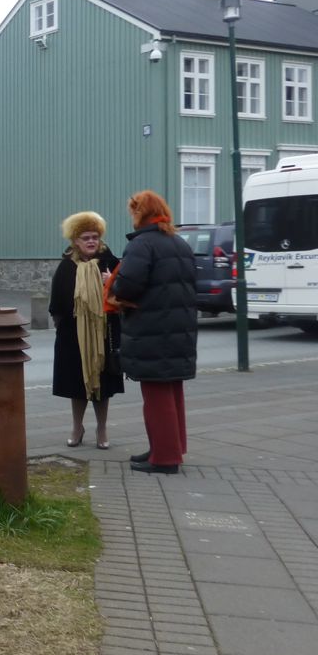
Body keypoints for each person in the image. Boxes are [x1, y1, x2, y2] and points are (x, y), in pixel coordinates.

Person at [109, 190, 197, 475]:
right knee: (172, 392)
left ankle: (165, 458)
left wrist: (113, 286)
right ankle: (168, 447)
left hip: (152, 329)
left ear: (140, 213)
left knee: (157, 395)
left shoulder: (142, 244)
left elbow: (128, 285)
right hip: (178, 328)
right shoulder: (180, 243)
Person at [49, 211, 123, 450]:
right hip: (73, 335)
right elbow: (56, 304)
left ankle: (102, 429)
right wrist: (68, 328)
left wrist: (111, 282)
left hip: (106, 333)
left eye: (95, 237)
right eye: (85, 238)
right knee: (76, 383)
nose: (91, 241)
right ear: (75, 241)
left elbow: (126, 294)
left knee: (104, 383)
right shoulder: (66, 266)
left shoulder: (111, 263)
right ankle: (77, 427)